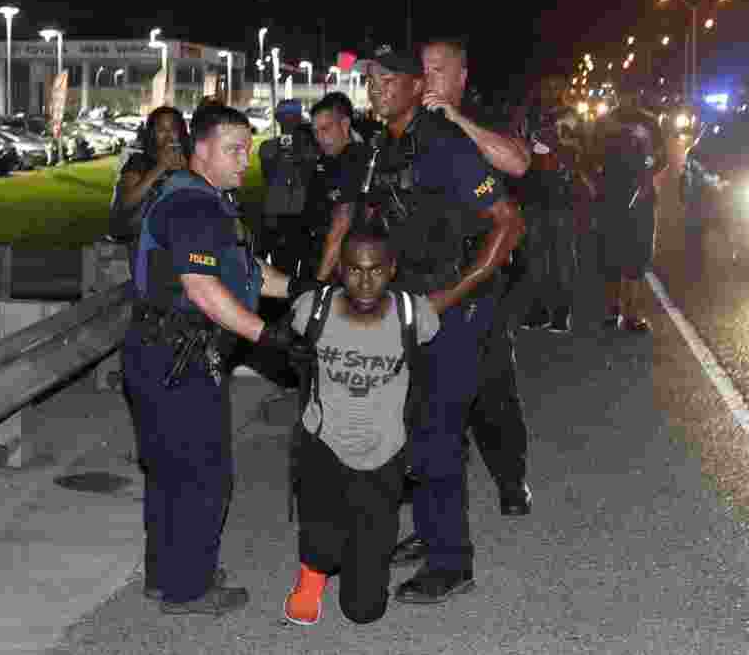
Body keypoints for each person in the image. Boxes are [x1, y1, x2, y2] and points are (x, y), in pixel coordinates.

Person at [123, 104, 319, 616]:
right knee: (202, 474)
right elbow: (203, 287)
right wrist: (269, 336)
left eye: (248, 148)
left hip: (160, 351)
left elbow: (244, 270)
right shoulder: (193, 207)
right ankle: (189, 588)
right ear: (201, 149)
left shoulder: (202, 197)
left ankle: (168, 574)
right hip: (178, 356)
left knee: (168, 470)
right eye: (233, 149)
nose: (244, 159)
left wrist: (299, 288)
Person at [361, 44, 524, 604]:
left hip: (455, 309)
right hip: (409, 304)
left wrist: (448, 297)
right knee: (410, 428)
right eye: (371, 79)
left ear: (412, 88)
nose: (375, 87)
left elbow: (509, 224)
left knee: (436, 432)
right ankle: (433, 534)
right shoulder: (389, 145)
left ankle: (452, 561)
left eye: (387, 79)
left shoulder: (446, 144)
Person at [282, 222, 440, 626]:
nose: (365, 281)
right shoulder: (312, 311)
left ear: (391, 268)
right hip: (325, 443)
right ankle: (311, 578)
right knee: (321, 535)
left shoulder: (413, 315)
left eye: (375, 269)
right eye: (354, 269)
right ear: (340, 270)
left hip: (384, 451)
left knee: (364, 610)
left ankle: (362, 567)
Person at [415, 36, 533, 522]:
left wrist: (457, 119)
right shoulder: (413, 125)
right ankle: (436, 510)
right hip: (428, 276)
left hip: (480, 275)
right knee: (430, 397)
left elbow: (519, 162)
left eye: (439, 70)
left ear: (461, 77)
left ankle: (511, 479)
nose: (429, 80)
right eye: (423, 70)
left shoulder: (482, 115)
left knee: (491, 393)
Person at [515, 76, 579, 334]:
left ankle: (562, 312)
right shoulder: (529, 114)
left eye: (556, 86)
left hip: (561, 196)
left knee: (562, 257)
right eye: (547, 85)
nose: (551, 90)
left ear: (563, 89)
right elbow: (517, 147)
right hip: (533, 196)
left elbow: (577, 149)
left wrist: (553, 146)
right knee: (535, 257)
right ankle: (539, 309)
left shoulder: (570, 115)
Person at [592, 100, 663, 332]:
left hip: (639, 198)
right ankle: (613, 312)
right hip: (612, 198)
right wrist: (598, 181)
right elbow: (590, 155)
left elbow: (660, 157)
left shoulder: (650, 122)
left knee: (636, 256)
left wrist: (646, 171)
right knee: (613, 256)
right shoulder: (605, 122)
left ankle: (629, 314)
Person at [304, 92, 372, 284]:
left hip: (341, 268)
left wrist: (318, 282)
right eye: (315, 131)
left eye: (325, 129)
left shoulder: (354, 159)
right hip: (323, 256)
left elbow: (341, 226)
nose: (319, 138)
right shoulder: (329, 159)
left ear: (345, 125)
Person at [109, 106, 191, 255]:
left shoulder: (191, 162)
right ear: (152, 133)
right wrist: (160, 168)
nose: (168, 136)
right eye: (161, 130)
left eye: (173, 129)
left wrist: (187, 172)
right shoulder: (139, 161)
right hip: (141, 234)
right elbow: (126, 203)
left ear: (181, 132)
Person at [258, 98, 318, 276]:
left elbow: (310, 174)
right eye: (286, 117)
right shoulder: (268, 147)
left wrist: (301, 151)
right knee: (282, 267)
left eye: (293, 117)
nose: (289, 122)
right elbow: (269, 174)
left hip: (303, 213)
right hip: (279, 212)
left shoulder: (311, 148)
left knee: (307, 268)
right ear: (278, 119)